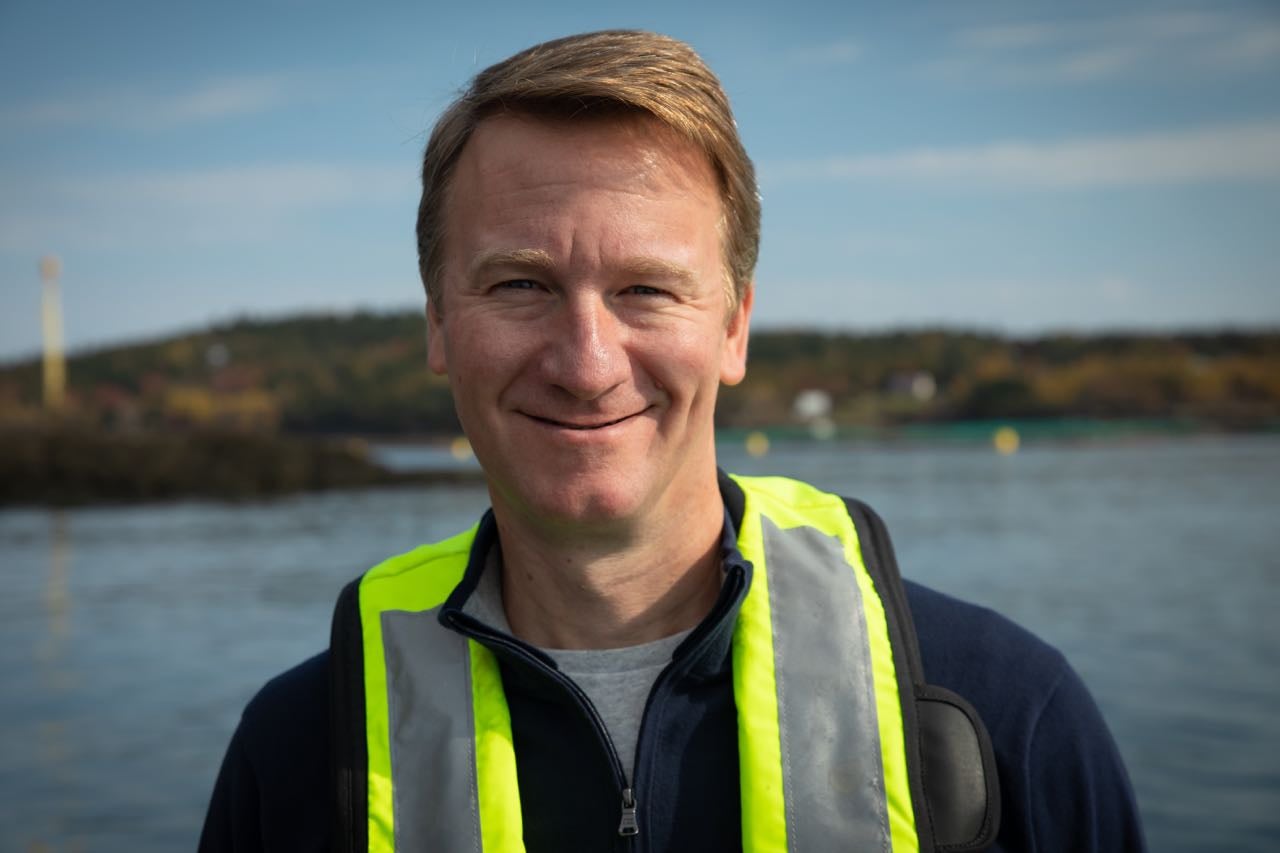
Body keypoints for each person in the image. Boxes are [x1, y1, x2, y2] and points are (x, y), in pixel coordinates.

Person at [200, 30, 1146, 852]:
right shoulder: (299, 750)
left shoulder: (1002, 714)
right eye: (519, 285)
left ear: (734, 328)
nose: (586, 362)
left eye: (645, 289)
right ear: (440, 325)